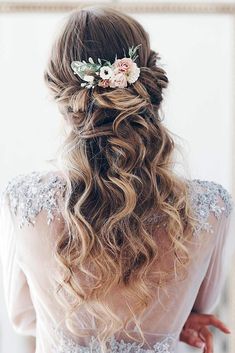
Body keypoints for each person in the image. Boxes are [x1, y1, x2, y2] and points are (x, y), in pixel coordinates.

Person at [0, 6, 234, 353]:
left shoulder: (27, 201)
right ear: (148, 83)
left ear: (60, 94)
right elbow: (200, 303)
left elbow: (23, 318)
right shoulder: (210, 207)